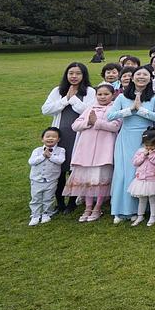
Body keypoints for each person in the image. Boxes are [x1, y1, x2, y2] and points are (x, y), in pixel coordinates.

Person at [107, 67, 155, 223]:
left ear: (150, 78)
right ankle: (120, 210)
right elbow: (110, 115)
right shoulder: (122, 97)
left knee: (140, 173)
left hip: (146, 140)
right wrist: (130, 109)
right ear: (132, 78)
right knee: (123, 173)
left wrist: (141, 110)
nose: (141, 77)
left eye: (145, 74)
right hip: (125, 138)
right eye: (138, 74)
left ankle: (139, 210)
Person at [41, 62, 95, 214]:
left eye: (78, 73)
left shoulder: (89, 91)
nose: (74, 76)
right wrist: (65, 99)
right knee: (58, 168)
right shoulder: (58, 91)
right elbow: (46, 109)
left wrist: (73, 99)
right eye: (71, 73)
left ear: (83, 75)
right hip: (60, 135)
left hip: (78, 135)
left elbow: (89, 111)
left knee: (74, 169)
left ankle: (72, 201)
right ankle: (59, 202)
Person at [66, 83, 121, 222]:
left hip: (104, 149)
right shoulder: (90, 107)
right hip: (86, 149)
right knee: (88, 179)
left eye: (106, 94)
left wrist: (98, 122)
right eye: (100, 94)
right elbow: (75, 125)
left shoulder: (115, 108)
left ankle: (98, 207)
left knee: (100, 178)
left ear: (112, 94)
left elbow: (115, 126)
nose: (102, 97)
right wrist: (88, 123)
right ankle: (88, 207)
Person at [128, 131, 155, 227]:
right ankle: (140, 216)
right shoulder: (140, 151)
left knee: (153, 199)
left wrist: (150, 156)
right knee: (142, 199)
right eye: (147, 145)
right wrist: (143, 155)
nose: (149, 148)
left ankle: (153, 216)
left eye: (152, 145)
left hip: (153, 180)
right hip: (141, 180)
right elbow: (135, 162)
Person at [28, 128, 66, 226]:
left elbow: (60, 160)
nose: (50, 138)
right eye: (47, 136)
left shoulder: (61, 150)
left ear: (58, 139)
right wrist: (43, 156)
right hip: (37, 179)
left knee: (48, 197)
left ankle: (46, 213)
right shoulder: (37, 150)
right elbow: (31, 162)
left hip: (51, 179)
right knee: (36, 197)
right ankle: (35, 215)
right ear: (42, 139)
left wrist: (50, 156)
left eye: (54, 137)